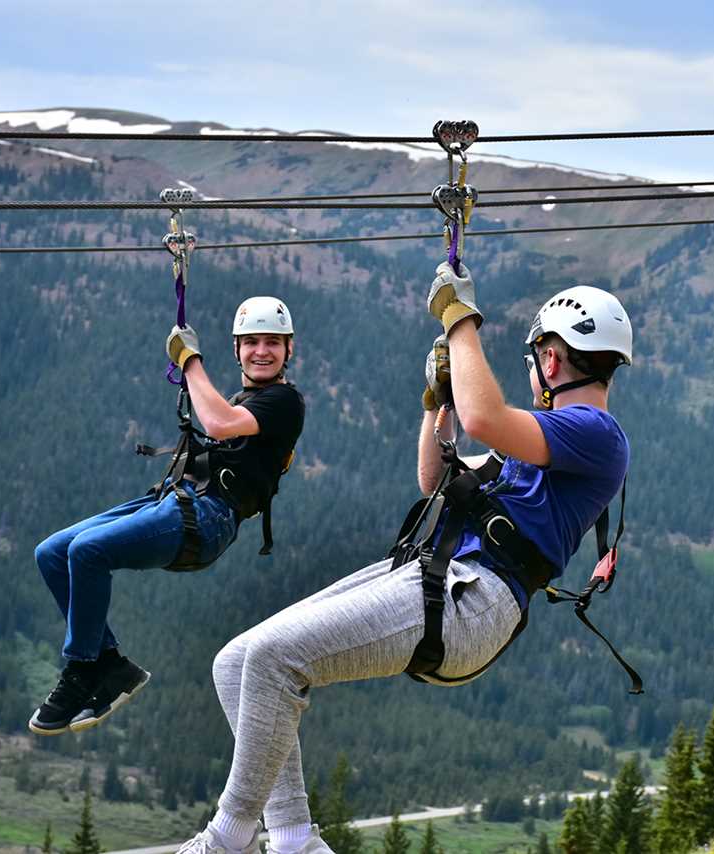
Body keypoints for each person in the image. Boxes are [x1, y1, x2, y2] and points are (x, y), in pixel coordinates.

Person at [173, 263, 632, 854]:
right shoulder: (551, 440)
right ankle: (292, 842)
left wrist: (459, 318)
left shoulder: (595, 433)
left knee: (269, 660)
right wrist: (435, 405)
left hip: (472, 597)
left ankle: (226, 838)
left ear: (549, 360)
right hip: (441, 578)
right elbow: (435, 477)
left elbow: (486, 419)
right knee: (236, 663)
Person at [30, 296, 306, 737]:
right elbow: (217, 417)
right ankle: (110, 665)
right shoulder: (245, 397)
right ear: (237, 350)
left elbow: (217, 423)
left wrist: (190, 360)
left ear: (288, 350)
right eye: (251, 342)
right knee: (52, 552)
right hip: (175, 501)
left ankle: (83, 668)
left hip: (209, 518)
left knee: (87, 551)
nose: (261, 351)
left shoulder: (283, 402)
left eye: (272, 342)